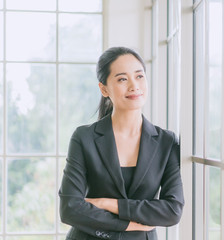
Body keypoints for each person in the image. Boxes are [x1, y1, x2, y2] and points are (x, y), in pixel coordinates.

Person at [59, 46, 184, 240]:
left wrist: (108, 204)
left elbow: (172, 210)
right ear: (104, 89)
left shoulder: (166, 142)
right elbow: (70, 208)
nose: (134, 86)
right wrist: (126, 224)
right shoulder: (84, 137)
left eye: (139, 76)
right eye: (122, 79)